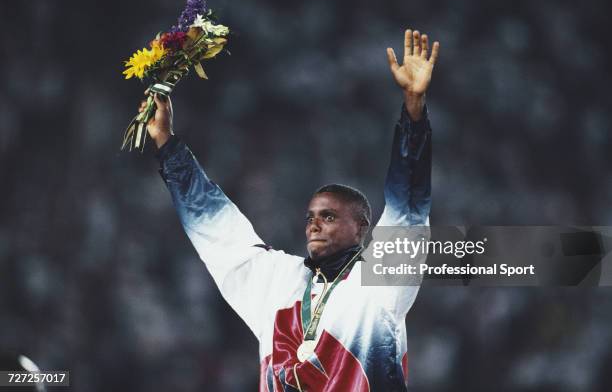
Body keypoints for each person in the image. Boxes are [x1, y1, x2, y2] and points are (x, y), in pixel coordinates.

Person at [139, 29, 439, 391]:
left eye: (329, 216)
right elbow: (218, 228)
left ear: (362, 227)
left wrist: (413, 110)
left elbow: (407, 212)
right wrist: (167, 144)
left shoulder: (378, 283)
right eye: (310, 217)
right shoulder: (279, 283)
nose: (314, 224)